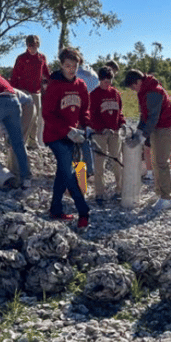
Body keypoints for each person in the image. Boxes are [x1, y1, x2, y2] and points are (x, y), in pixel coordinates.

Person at [42, 48, 90, 229]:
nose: (71, 69)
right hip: (55, 136)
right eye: (68, 66)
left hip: (73, 136)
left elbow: (84, 110)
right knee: (70, 172)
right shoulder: (54, 85)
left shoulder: (81, 85)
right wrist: (67, 130)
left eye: (74, 66)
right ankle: (84, 212)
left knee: (62, 172)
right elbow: (47, 114)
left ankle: (55, 209)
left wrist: (86, 126)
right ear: (61, 65)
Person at [124, 69, 171, 211]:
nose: (133, 90)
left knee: (161, 162)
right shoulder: (143, 91)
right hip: (157, 128)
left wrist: (142, 137)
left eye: (133, 86)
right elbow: (144, 115)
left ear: (139, 81)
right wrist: (138, 132)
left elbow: (153, 117)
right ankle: (159, 194)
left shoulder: (154, 91)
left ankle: (167, 198)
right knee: (155, 161)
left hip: (166, 127)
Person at [89, 67, 126, 204]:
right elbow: (91, 116)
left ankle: (120, 190)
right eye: (105, 81)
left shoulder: (115, 93)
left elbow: (119, 112)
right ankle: (99, 193)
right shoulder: (94, 95)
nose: (108, 83)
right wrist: (101, 128)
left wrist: (122, 124)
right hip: (100, 134)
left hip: (115, 133)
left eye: (110, 80)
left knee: (117, 161)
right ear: (99, 80)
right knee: (99, 163)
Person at [10, 34, 50, 149]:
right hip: (24, 91)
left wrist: (51, 83)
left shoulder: (41, 58)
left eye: (34, 45)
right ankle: (22, 141)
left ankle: (33, 141)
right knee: (26, 117)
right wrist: (12, 90)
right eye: (30, 45)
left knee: (36, 118)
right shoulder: (21, 58)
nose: (32, 47)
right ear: (27, 45)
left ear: (38, 45)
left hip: (36, 92)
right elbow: (15, 75)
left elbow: (46, 73)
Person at [75, 56, 99, 177]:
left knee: (76, 144)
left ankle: (78, 172)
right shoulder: (92, 74)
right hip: (89, 110)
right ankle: (89, 169)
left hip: (76, 109)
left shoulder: (75, 74)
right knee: (86, 141)